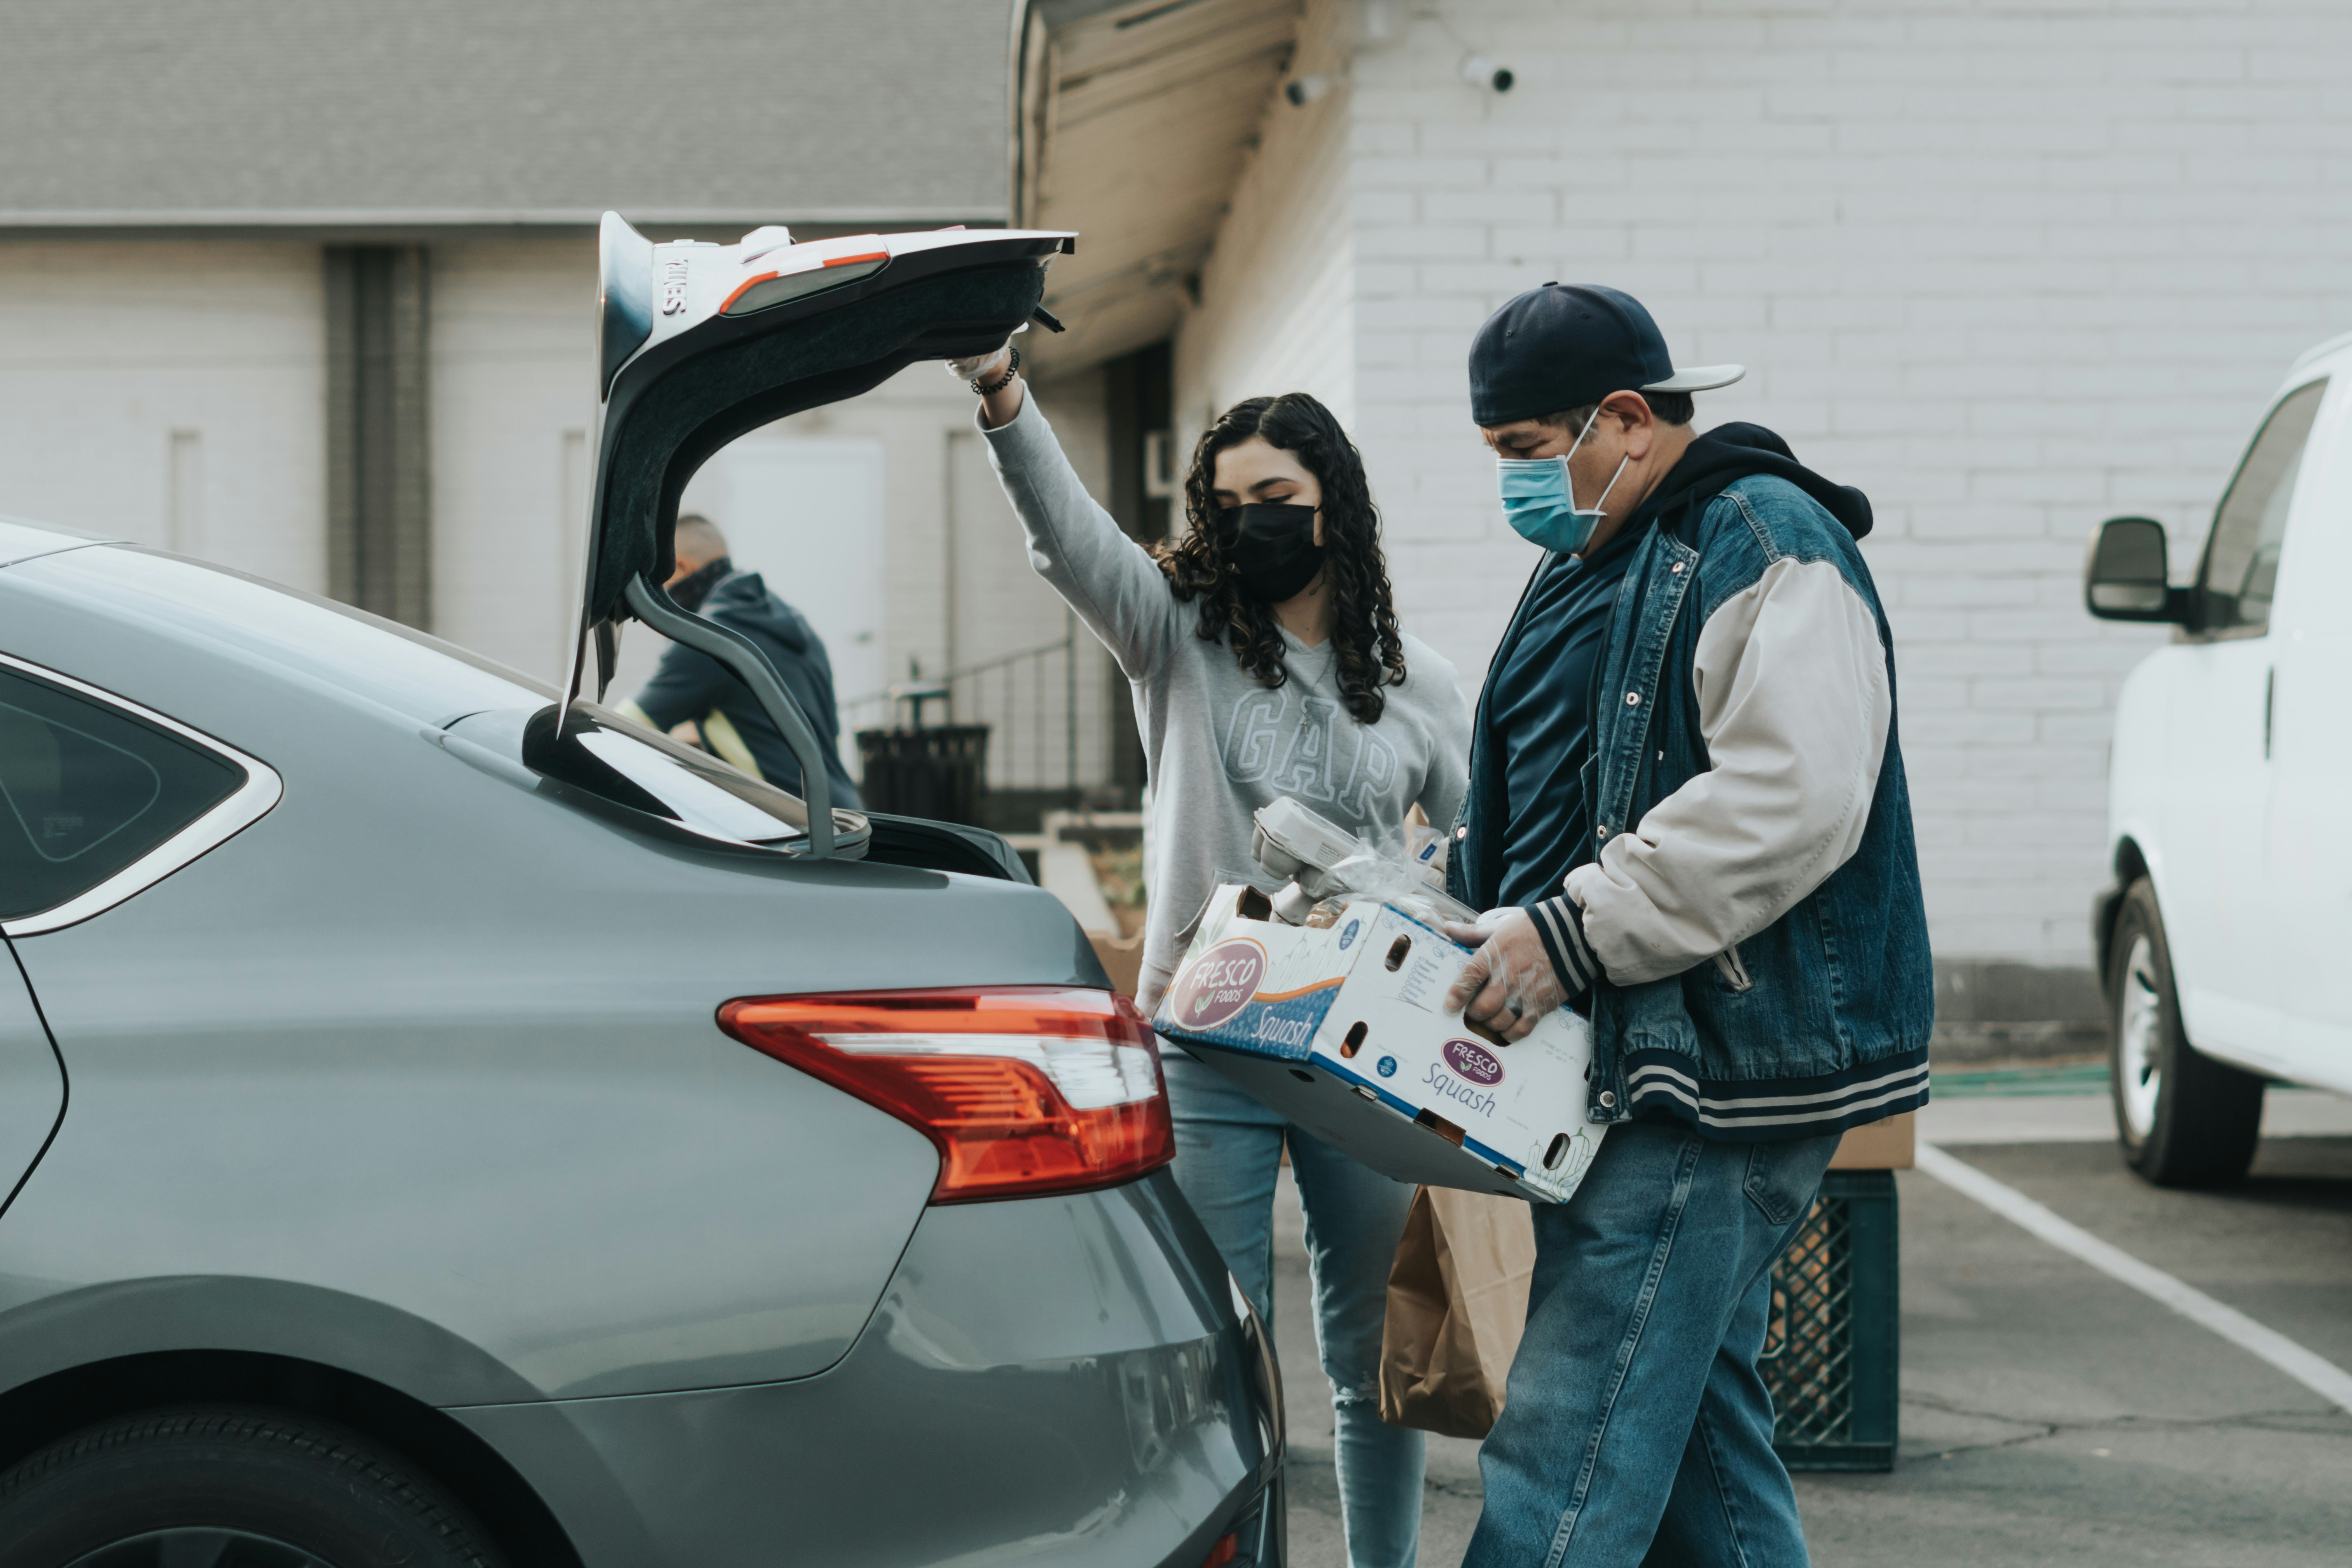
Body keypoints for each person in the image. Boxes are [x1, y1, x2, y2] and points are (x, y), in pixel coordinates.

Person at [947, 341, 1470, 1568]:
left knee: (1369, 1365)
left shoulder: (1416, 680)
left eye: (1276, 502)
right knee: (1214, 1360)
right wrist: (1002, 401)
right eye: (1227, 506)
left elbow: (1471, 835)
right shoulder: (1175, 632)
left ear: (1333, 502)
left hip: (1362, 1059)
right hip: (1208, 1039)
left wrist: (1437, 884)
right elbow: (1071, 539)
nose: (1250, 527)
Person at [1439, 284, 1932, 1567]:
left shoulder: (1762, 537)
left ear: (1622, 418)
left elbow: (1793, 794)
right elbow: (1576, 782)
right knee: (1701, 1450)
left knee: (1563, 1456)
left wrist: (1566, 935)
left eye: (1524, 456)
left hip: (1710, 1065)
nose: (1514, 491)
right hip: (1643, 1054)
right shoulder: (1597, 551)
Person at [619, 513, 860, 808]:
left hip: (794, 831)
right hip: (844, 813)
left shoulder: (708, 640)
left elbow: (620, 730)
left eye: (660, 581)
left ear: (680, 567)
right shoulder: (788, 619)